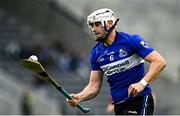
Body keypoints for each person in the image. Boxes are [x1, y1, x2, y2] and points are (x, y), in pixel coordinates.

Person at [67, 8, 166, 115]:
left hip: (139, 100)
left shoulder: (131, 41)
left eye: (97, 24)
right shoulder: (96, 53)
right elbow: (94, 86)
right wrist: (79, 97)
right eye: (91, 25)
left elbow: (159, 62)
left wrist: (142, 84)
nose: (93, 29)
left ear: (110, 23)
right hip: (119, 105)